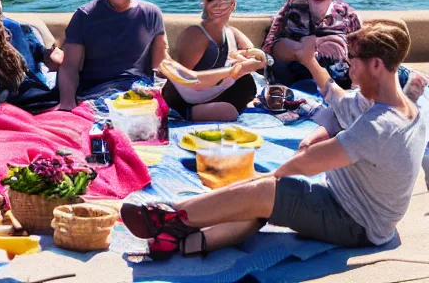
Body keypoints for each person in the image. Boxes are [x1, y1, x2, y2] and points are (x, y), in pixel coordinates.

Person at [121, 20, 426, 260]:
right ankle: (183, 239)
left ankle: (171, 218)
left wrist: (267, 182)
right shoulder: (407, 108)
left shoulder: (379, 125)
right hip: (349, 204)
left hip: (356, 222)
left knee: (266, 188)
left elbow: (309, 163)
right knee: (259, 196)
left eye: (355, 60)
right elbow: (337, 97)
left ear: (375, 65)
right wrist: (309, 61)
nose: (349, 67)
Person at [58, 0, 168, 110]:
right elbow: (69, 67)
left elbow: (160, 64)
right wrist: (67, 105)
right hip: (97, 94)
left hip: (140, 91)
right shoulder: (84, 16)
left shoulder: (151, 14)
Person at [162, 0, 266, 122]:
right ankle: (185, 113)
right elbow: (184, 79)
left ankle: (203, 112)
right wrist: (236, 69)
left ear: (233, 3)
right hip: (186, 96)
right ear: (204, 5)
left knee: (247, 84)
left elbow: (259, 58)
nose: (219, 4)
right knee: (231, 104)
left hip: (213, 91)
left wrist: (242, 56)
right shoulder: (196, 35)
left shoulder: (231, 32)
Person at [262, 0, 361, 88]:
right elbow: (270, 42)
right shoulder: (292, 6)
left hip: (333, 77)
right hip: (295, 70)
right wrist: (297, 51)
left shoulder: (348, 14)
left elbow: (360, 53)